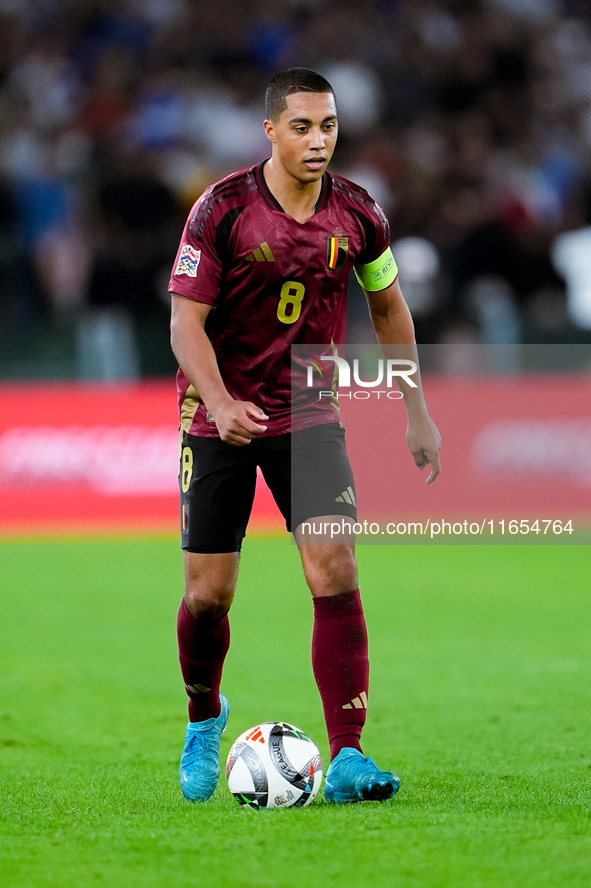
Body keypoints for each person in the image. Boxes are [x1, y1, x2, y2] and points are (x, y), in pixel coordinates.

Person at [168, 68, 441, 805]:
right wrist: (221, 402)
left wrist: (413, 409)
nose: (317, 140)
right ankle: (203, 718)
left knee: (334, 571)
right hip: (217, 418)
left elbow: (389, 309)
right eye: (301, 127)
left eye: (327, 126)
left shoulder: (357, 214)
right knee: (209, 595)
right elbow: (184, 322)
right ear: (269, 131)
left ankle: (348, 756)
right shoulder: (221, 209)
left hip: (309, 414)